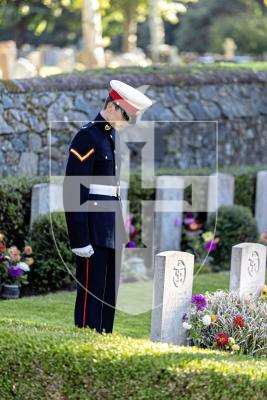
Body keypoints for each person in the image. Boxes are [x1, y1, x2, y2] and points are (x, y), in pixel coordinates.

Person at [63, 80, 152, 333]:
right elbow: (74, 189)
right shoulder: (87, 136)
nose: (128, 123)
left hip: (110, 227)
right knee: (92, 295)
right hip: (92, 228)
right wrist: (80, 239)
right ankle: (86, 341)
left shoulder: (111, 136)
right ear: (113, 106)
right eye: (127, 116)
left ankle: (104, 339)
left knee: (108, 294)